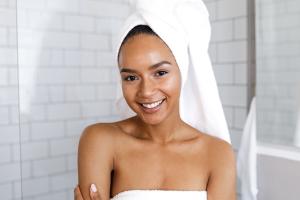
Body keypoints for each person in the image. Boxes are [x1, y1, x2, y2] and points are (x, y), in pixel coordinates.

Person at [74, 24, 236, 200]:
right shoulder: (101, 140)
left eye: (160, 73)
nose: (146, 91)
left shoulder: (217, 153)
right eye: (131, 78)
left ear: (182, 71)